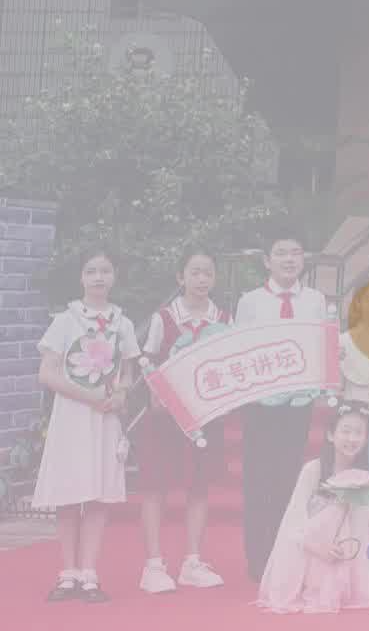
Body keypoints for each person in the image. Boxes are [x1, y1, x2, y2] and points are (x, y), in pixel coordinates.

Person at [36, 251, 139, 603]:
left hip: (105, 418)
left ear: (114, 276)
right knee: (69, 495)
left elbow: (127, 372)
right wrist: (88, 395)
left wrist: (120, 394)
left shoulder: (123, 323)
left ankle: (90, 573)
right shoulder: (66, 321)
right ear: (81, 277)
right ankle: (67, 574)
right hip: (71, 416)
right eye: (91, 271)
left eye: (105, 271)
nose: (98, 277)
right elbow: (47, 373)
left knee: (98, 495)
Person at [135, 250, 229, 594]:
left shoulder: (224, 318)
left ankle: (192, 561)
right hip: (165, 417)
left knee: (199, 486)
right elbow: (146, 362)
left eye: (208, 273)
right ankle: (153, 565)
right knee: (155, 486)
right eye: (195, 272)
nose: (202, 279)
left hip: (204, 416)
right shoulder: (164, 318)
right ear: (181, 277)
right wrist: (156, 396)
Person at [236, 231, 328, 583]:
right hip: (260, 405)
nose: (289, 259)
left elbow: (321, 344)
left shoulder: (316, 300)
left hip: (298, 403)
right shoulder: (250, 302)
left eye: (296, 252)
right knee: (258, 479)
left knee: (290, 477)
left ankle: (286, 554)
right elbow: (240, 349)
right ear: (267, 260)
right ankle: (258, 559)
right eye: (281, 253)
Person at [256, 401, 369, 614]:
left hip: (345, 549)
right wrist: (318, 545)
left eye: (358, 433)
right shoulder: (313, 470)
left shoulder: (363, 475)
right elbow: (294, 519)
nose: (352, 439)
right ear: (331, 434)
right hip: (310, 546)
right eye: (346, 431)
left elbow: (363, 528)